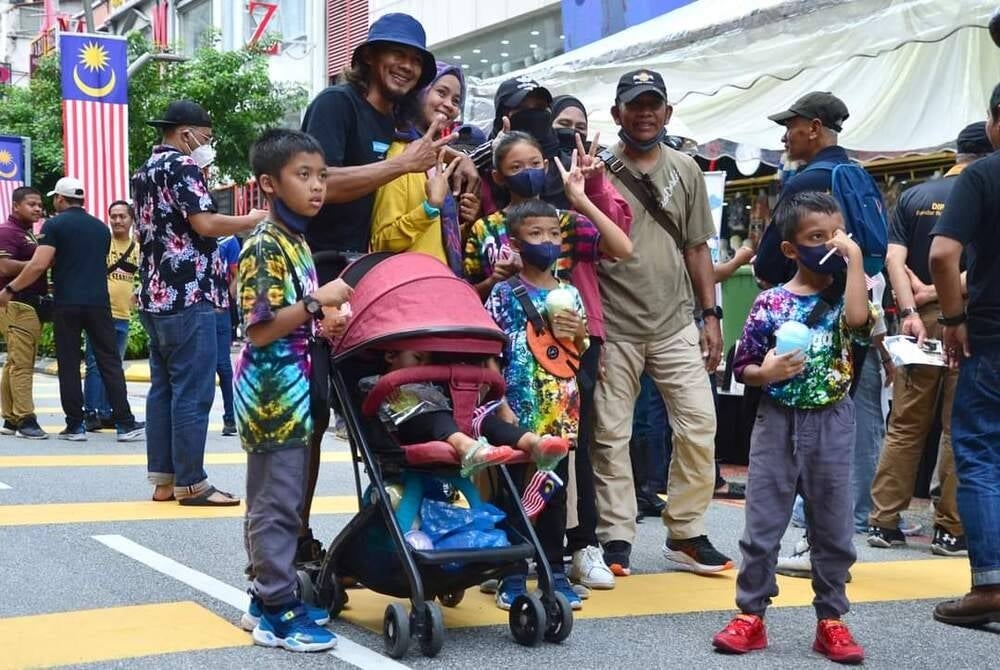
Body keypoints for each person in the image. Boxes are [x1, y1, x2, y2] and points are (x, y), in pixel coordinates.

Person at [300, 13, 477, 563]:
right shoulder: (338, 106)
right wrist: (405, 165)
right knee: (312, 414)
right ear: (370, 57)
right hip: (327, 274)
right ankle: (295, 537)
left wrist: (457, 161)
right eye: (395, 54)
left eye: (415, 60)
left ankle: (404, 534)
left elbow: (428, 157)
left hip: (384, 285)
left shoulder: (401, 121)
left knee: (391, 399)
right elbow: (317, 182)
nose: (405, 66)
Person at [713, 191, 873, 663]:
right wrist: (767, 373)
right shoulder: (769, 303)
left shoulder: (848, 294)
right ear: (790, 248)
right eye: (815, 237)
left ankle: (832, 619)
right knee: (762, 523)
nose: (828, 245)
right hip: (777, 421)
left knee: (833, 526)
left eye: (835, 236)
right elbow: (741, 365)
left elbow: (861, 321)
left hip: (833, 420)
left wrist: (857, 261)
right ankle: (751, 614)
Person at [590, 69, 728, 577]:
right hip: (614, 324)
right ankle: (615, 538)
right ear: (617, 114)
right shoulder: (596, 169)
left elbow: (696, 248)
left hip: (675, 323)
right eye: (634, 105)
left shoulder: (687, 169)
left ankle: (687, 533)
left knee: (699, 425)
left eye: (654, 105)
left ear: (667, 112)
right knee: (610, 435)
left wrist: (710, 315)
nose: (645, 113)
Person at [235, 128, 353, 653]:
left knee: (278, 498)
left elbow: (288, 321)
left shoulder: (294, 241)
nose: (317, 186)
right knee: (277, 502)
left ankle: (268, 598)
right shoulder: (264, 245)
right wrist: (314, 304)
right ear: (268, 183)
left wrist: (319, 324)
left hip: (295, 387)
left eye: (322, 176)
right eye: (302, 176)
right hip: (272, 393)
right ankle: (276, 613)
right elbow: (259, 328)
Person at [867, 123, 990, 557]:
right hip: (966, 317)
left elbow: (893, 258)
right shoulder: (987, 187)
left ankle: (884, 522)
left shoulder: (915, 195)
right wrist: (939, 294)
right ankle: (949, 530)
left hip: (915, 324)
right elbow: (979, 262)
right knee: (958, 428)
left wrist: (911, 309)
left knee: (904, 425)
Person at [133, 100, 265, 505]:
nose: (207, 145)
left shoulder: (142, 172)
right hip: (190, 291)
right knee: (193, 390)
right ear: (185, 132)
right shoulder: (183, 167)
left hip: (155, 294)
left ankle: (164, 481)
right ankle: (193, 482)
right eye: (205, 137)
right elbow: (204, 223)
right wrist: (252, 219)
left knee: (164, 390)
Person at [485, 199, 587, 611]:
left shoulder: (570, 293)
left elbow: (580, 350)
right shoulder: (503, 292)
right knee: (514, 490)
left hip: (562, 405)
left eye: (553, 234)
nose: (546, 242)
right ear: (515, 242)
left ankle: (553, 571)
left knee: (554, 490)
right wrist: (499, 401)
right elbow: (490, 350)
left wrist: (579, 332)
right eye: (535, 234)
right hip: (519, 405)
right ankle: (511, 573)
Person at [928, 82, 1000, 628]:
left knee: (979, 454)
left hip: (992, 336)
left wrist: (953, 319)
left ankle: (991, 586)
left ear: (994, 121)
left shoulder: (981, 174)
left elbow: (943, 253)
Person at [0, 178, 144, 442]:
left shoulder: (54, 225)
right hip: (100, 304)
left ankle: (75, 426)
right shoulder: (101, 229)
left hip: (67, 304)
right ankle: (125, 423)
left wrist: (9, 290)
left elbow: (38, 265)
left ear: (61, 199)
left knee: (68, 364)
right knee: (110, 362)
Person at [362, 350, 570, 476]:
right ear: (390, 356)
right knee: (433, 417)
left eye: (428, 362)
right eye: (418, 358)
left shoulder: (429, 382)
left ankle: (535, 444)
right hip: (406, 429)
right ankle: (468, 448)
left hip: (449, 424)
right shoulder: (374, 381)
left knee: (484, 421)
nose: (424, 366)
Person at [370, 61, 476, 272]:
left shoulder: (437, 160)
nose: (449, 105)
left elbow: (434, 242)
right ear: (419, 93)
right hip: (411, 291)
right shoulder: (401, 155)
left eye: (456, 100)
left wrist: (466, 224)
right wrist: (429, 207)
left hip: (441, 289)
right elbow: (381, 242)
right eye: (441, 92)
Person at [753, 92, 853, 287]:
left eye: (790, 127)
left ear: (814, 128)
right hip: (859, 296)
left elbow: (767, 265)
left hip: (815, 302)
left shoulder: (804, 183)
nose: (784, 137)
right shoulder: (857, 174)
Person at [83, 200, 139, 432]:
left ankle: (107, 412)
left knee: (114, 365)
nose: (117, 220)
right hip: (99, 313)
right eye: (113, 216)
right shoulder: (101, 243)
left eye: (122, 216)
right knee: (95, 364)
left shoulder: (137, 248)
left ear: (131, 219)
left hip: (123, 316)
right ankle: (90, 412)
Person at [0, 186, 48, 439]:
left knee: (14, 362)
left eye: (39, 204)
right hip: (18, 302)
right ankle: (25, 420)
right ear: (15, 205)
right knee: (22, 364)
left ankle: (9, 418)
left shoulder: (26, 233)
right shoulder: (7, 232)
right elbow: (5, 266)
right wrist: (38, 266)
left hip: (25, 302)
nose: (38, 209)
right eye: (32, 204)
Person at [217, 234, 241, 436]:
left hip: (219, 310)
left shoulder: (228, 240)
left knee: (222, 365)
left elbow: (237, 274)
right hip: (195, 309)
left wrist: (226, 298)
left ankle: (230, 417)